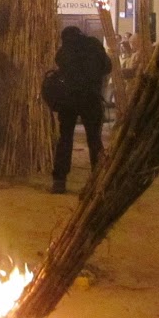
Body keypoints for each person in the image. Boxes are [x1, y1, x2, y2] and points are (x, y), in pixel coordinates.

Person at [49, 25, 112, 194]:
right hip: (91, 99)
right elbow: (107, 67)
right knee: (94, 140)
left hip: (69, 101)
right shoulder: (94, 45)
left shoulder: (64, 52)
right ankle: (98, 179)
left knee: (65, 139)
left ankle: (59, 180)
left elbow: (59, 64)